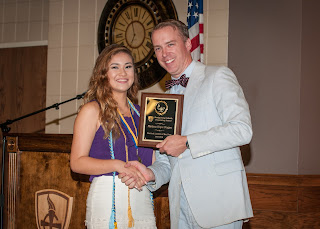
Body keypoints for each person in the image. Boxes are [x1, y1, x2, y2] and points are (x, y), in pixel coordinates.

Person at [119, 20, 253, 229]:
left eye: (170, 44)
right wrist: (150, 174)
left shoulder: (217, 76)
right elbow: (167, 161)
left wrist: (188, 142)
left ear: (188, 44)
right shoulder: (163, 101)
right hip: (180, 207)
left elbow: (242, 130)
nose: (164, 53)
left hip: (218, 204)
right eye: (158, 48)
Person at [70, 44, 157, 229]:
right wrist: (118, 165)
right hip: (107, 199)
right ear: (103, 73)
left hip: (140, 196)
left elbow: (156, 160)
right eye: (115, 67)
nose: (123, 73)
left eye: (128, 66)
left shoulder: (144, 113)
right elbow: (76, 162)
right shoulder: (92, 110)